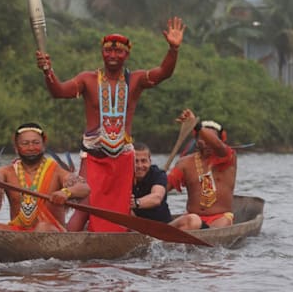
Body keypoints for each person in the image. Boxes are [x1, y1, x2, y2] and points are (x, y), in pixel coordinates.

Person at [35, 17, 186, 232]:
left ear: (127, 55)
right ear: (102, 53)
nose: (113, 55)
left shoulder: (136, 80)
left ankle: (114, 245)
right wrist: (47, 70)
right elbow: (58, 92)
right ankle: (66, 245)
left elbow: (164, 73)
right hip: (94, 155)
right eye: (108, 51)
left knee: (120, 208)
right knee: (85, 203)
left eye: (119, 52)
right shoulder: (87, 80)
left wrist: (173, 49)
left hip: (123, 157)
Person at [0, 122, 90, 232]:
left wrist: (65, 193)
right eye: (25, 143)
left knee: (42, 227)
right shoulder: (7, 172)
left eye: (35, 143)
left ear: (43, 144)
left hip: (51, 231)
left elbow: (84, 188)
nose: (31, 148)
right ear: (16, 147)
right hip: (19, 231)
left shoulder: (56, 170)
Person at [166, 109, 237, 230]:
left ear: (219, 141)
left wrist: (196, 125)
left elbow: (218, 146)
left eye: (212, 140)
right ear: (197, 141)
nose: (208, 144)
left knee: (220, 226)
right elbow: (164, 187)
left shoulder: (228, 157)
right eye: (204, 140)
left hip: (220, 218)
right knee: (192, 221)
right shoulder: (184, 163)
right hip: (192, 218)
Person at [130, 142, 172, 223]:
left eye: (143, 161)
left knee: (193, 219)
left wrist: (135, 203)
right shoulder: (123, 176)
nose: (139, 166)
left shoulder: (158, 174)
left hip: (164, 226)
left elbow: (156, 198)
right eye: (135, 161)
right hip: (135, 226)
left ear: (150, 161)